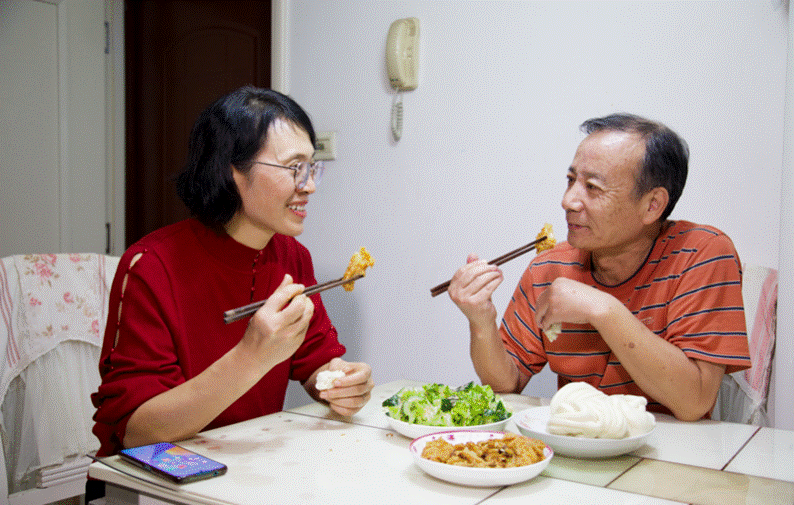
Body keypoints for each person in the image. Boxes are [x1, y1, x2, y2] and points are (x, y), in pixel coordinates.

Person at [91, 86, 374, 460]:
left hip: (249, 466)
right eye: (294, 168)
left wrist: (341, 381)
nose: (309, 185)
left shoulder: (292, 257)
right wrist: (251, 357)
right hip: (159, 476)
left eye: (311, 168)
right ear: (233, 170)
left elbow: (314, 360)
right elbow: (137, 431)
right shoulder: (150, 266)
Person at [447, 113, 750, 421]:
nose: (568, 201)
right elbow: (505, 385)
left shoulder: (702, 254)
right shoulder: (550, 267)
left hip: (670, 444)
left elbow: (695, 402)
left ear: (652, 205)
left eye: (592, 187)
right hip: (578, 439)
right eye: (571, 181)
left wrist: (602, 309)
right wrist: (481, 321)